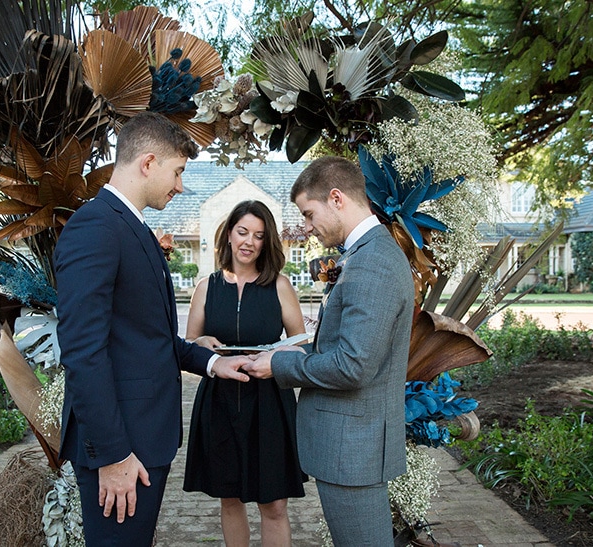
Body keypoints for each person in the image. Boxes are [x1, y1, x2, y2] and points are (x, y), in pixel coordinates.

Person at [54, 112, 251, 547]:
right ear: (147, 163)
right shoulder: (96, 227)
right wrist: (113, 455)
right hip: (122, 447)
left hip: (143, 439)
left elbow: (148, 338)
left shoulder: (131, 228)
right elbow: (83, 351)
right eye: (177, 171)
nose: (180, 185)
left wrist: (215, 362)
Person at [244, 156, 414, 546]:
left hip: (353, 448)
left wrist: (281, 363)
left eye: (308, 214)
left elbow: (353, 366)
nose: (306, 227)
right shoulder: (363, 255)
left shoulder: (372, 263)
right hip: (350, 445)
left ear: (337, 198)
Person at [183, 200, 308, 547]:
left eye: (258, 235)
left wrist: (279, 355)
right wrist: (201, 340)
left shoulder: (280, 286)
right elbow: (190, 345)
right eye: (242, 232)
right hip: (219, 403)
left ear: (266, 242)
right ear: (228, 234)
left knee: (275, 503)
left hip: (269, 404)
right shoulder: (206, 287)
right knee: (229, 498)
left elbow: (301, 346)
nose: (249, 241)